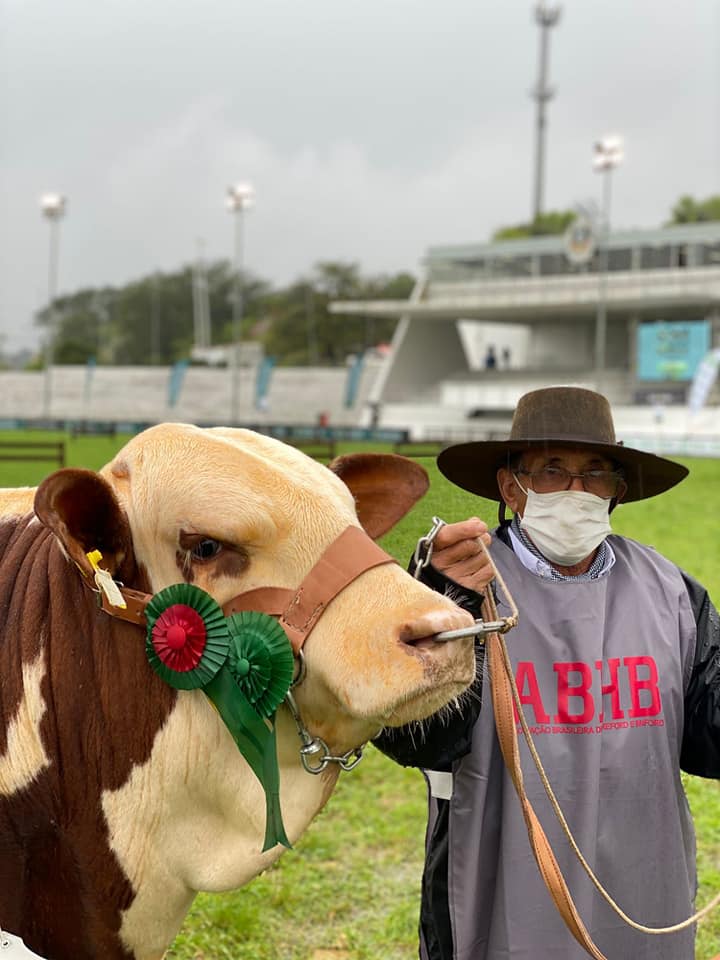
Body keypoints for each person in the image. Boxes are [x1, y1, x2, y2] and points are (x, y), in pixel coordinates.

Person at [376, 385, 720, 960]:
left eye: (595, 473)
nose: (576, 491)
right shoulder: (463, 587)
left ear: (617, 490)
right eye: (553, 471)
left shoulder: (673, 593)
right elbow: (413, 736)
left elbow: (713, 736)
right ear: (512, 486)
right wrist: (441, 605)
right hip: (500, 891)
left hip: (640, 896)